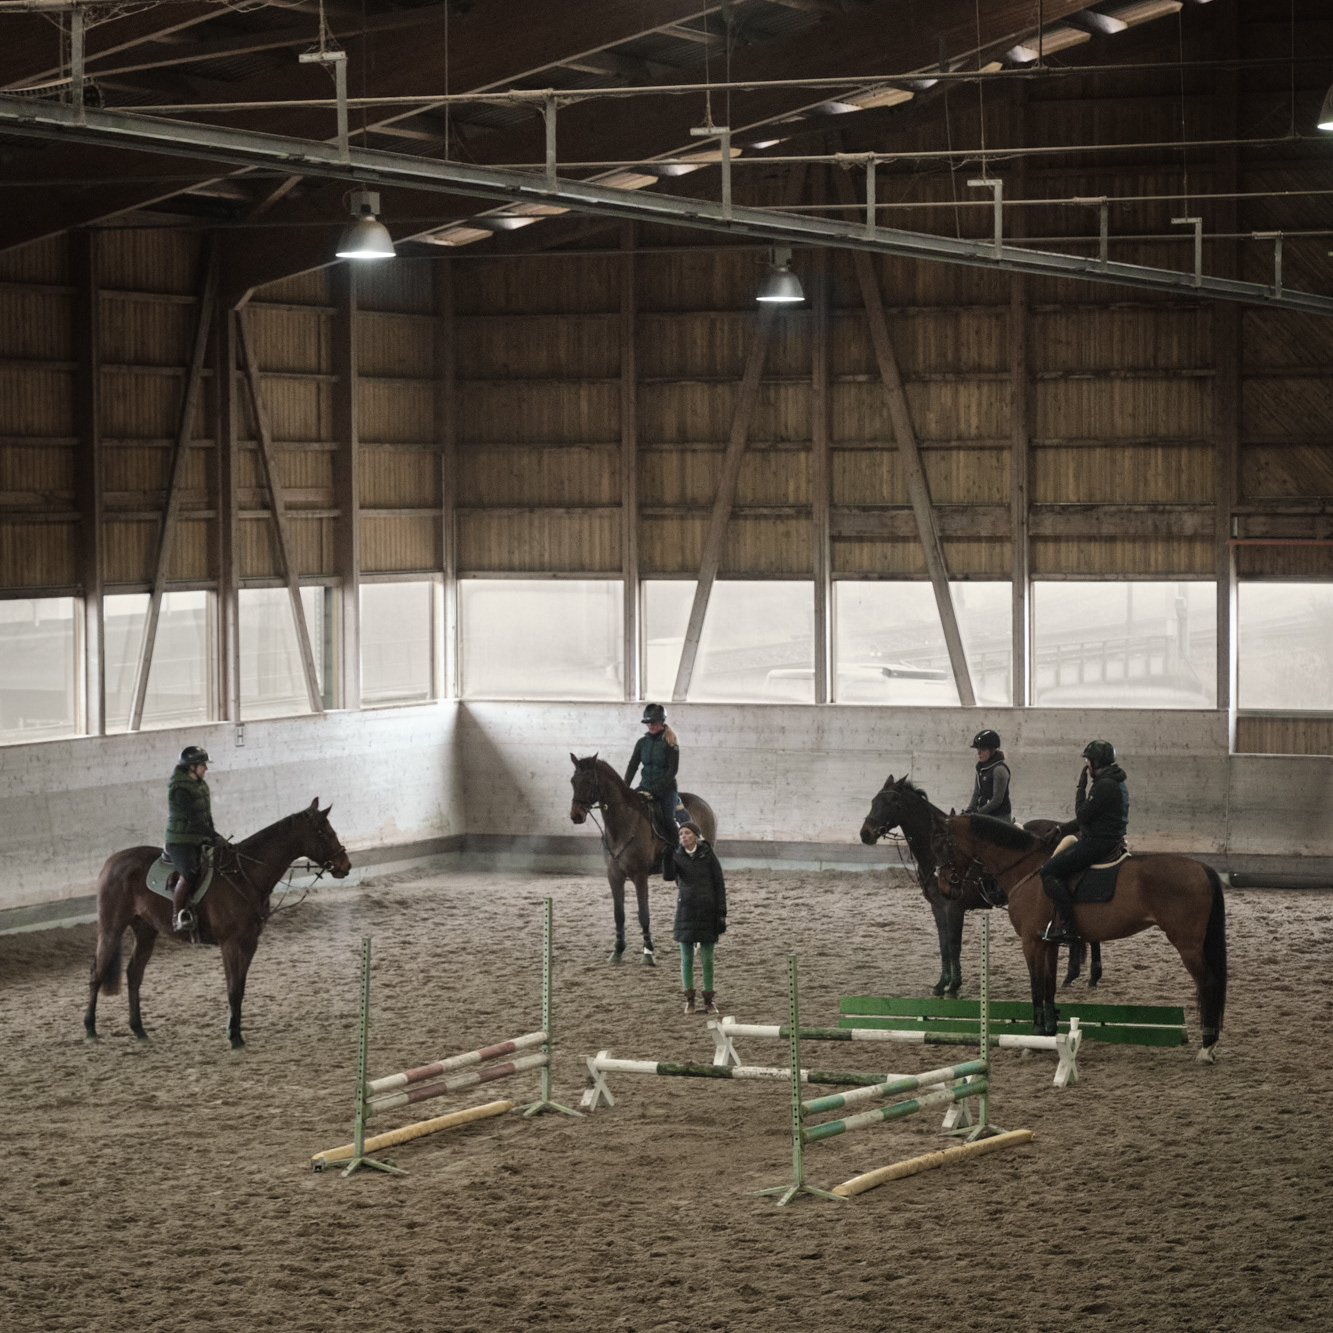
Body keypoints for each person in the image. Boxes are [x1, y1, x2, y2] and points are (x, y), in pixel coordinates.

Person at [1040, 740, 1129, 945]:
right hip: (1110, 839)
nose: (1086, 765)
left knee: (1049, 872)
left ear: (1096, 762)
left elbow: (1082, 815)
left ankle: (1068, 927)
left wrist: (1080, 788)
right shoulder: (1114, 781)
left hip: (1097, 843)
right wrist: (1060, 829)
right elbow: (1089, 817)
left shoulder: (1104, 785)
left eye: (1088, 761)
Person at [672, 822, 727, 1015]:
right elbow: (668, 875)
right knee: (686, 958)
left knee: (707, 959)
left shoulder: (708, 854)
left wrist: (722, 912)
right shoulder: (677, 855)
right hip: (685, 912)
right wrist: (666, 856)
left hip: (707, 910)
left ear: (695, 835)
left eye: (687, 833)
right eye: (680, 834)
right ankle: (689, 1000)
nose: (683, 836)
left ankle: (709, 1000)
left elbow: (719, 883)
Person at [624, 703, 682, 881]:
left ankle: (676, 854)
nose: (650, 725)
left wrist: (658, 790)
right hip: (645, 786)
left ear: (662, 722)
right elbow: (633, 766)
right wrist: (625, 788)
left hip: (666, 789)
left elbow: (672, 770)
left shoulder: (670, 743)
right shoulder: (642, 743)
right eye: (648, 723)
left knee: (668, 819)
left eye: (654, 722)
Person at [165, 744, 216, 935]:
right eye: (203, 765)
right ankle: (178, 916)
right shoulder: (180, 789)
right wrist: (212, 835)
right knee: (189, 874)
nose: (206, 768)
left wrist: (212, 834)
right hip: (180, 840)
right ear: (191, 767)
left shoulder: (200, 785)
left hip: (197, 836)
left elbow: (206, 816)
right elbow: (192, 818)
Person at [963, 729, 1013, 822]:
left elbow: (997, 800)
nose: (979, 753)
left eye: (983, 749)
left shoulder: (999, 770)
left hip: (999, 817)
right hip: (984, 815)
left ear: (992, 750)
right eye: (978, 749)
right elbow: (976, 794)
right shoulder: (980, 768)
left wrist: (977, 813)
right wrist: (968, 811)